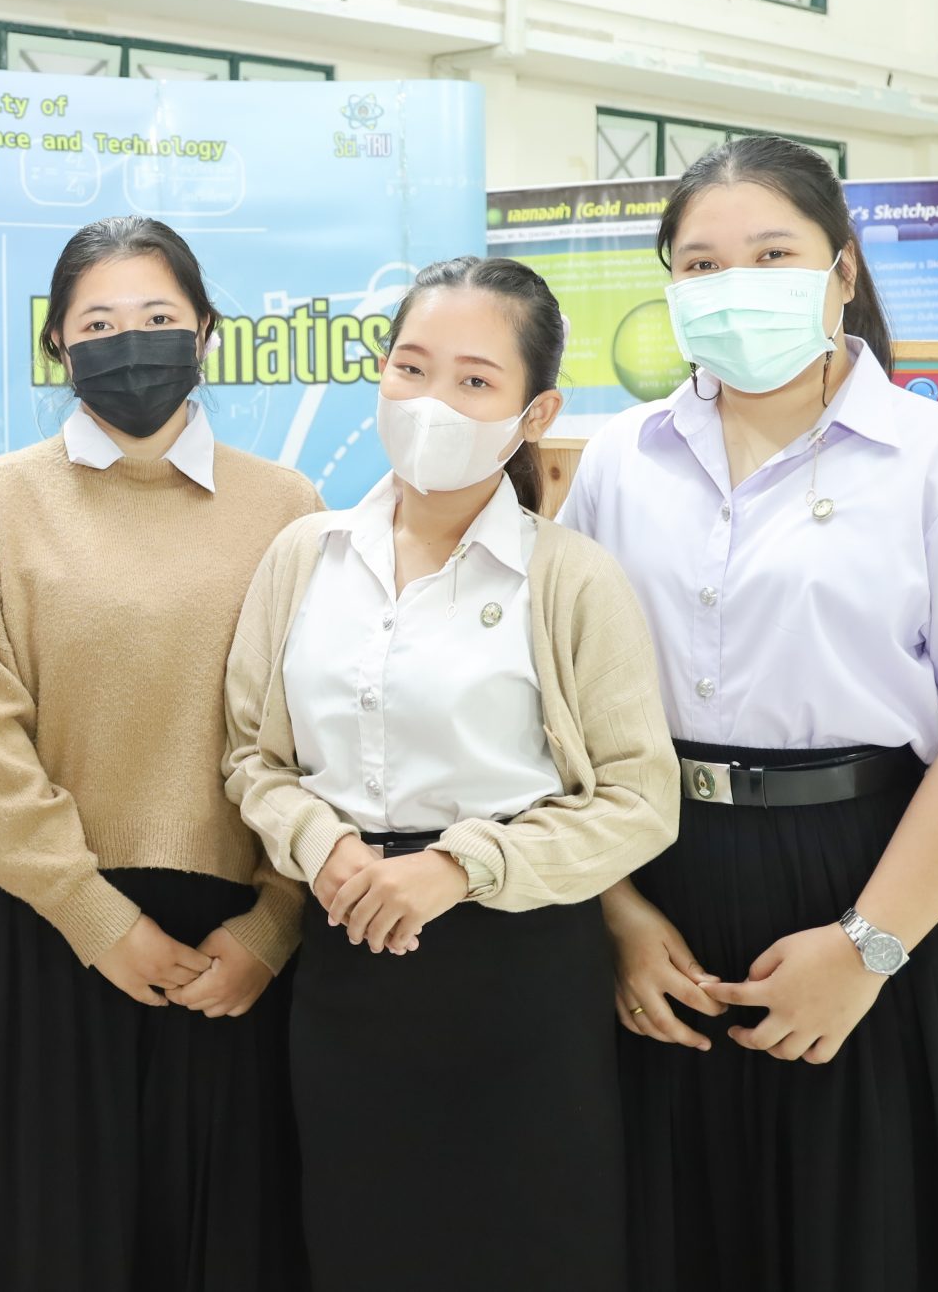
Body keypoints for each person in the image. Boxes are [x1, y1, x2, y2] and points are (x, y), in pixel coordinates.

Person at [560, 136, 938, 1292]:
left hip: (876, 875)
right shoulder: (618, 461)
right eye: (700, 264)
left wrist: (867, 949)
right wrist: (615, 915)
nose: (734, 285)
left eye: (772, 254)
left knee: (875, 1226)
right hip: (658, 874)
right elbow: (563, 702)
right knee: (678, 1226)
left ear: (841, 270)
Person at [222, 255, 680, 1287]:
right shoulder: (304, 555)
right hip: (346, 956)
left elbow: (638, 800)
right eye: (411, 367)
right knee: (361, 1245)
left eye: (476, 380)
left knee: (535, 1250)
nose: (433, 401)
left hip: (519, 971)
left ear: (535, 412)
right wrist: (320, 842)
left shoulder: (570, 577)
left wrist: (458, 866)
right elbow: (251, 755)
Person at [0, 215, 321, 1292]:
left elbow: (323, 729)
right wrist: (91, 913)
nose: (128, 342)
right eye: (96, 322)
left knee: (220, 1242)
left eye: (157, 316)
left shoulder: (288, 508)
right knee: (44, 1242)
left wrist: (275, 923)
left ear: (206, 332)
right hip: (44, 921)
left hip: (230, 943)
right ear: (56, 343)